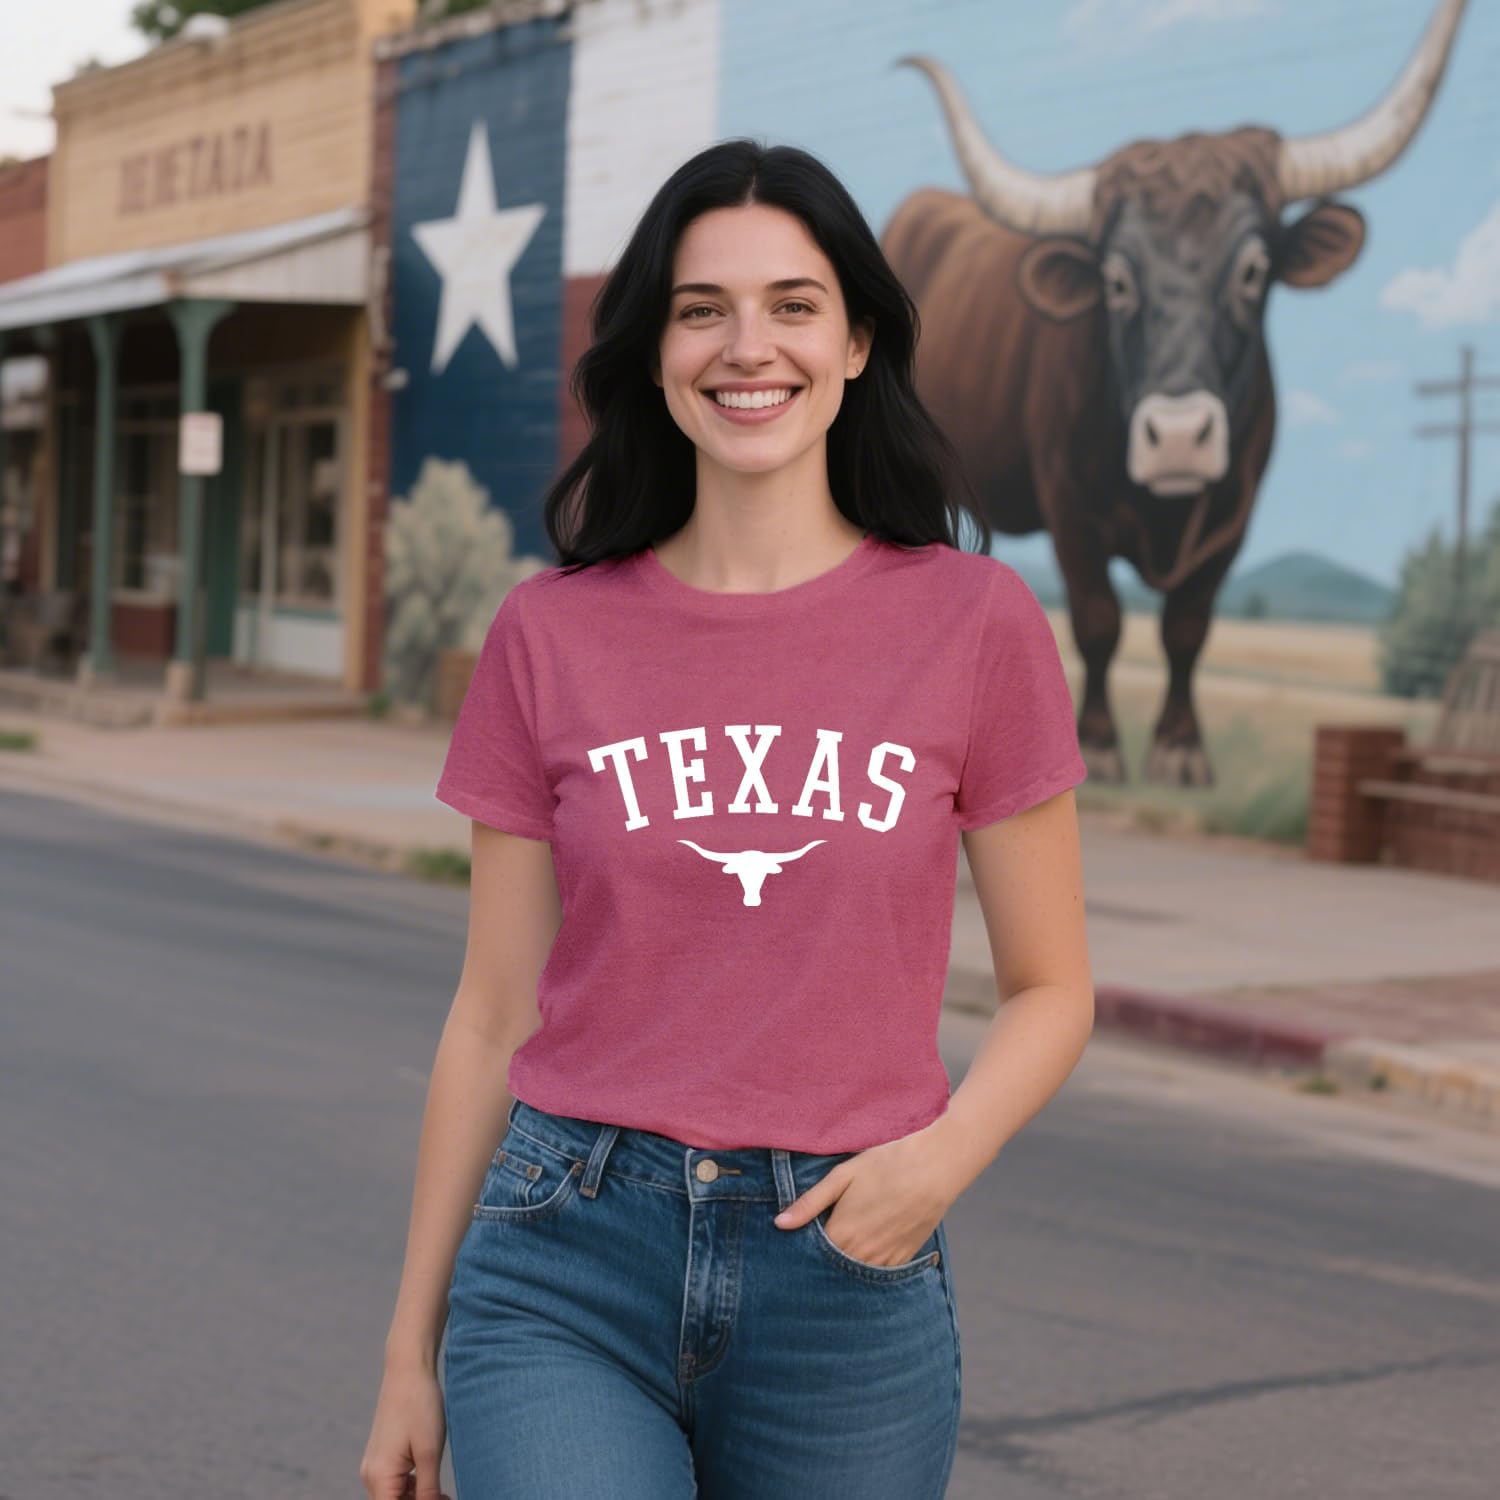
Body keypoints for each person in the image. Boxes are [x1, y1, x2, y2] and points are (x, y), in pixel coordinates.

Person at [360, 137, 1094, 1500]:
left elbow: (1054, 989)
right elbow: (491, 1010)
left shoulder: (975, 622)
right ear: (654, 353)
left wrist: (938, 1164)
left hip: (847, 1265)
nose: (746, 346)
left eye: (793, 304)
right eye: (703, 309)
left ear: (860, 340)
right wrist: (409, 1353)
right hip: (568, 1254)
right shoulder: (549, 635)